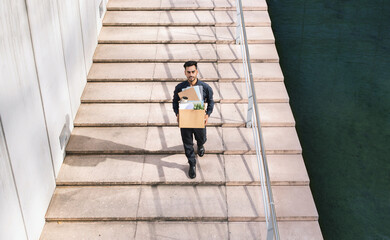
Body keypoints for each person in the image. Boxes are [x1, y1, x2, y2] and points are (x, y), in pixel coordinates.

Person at [172, 61, 214, 179]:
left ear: (197, 72)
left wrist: (207, 115)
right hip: (185, 120)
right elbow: (175, 102)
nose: (191, 74)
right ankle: (192, 164)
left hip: (199, 119)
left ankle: (200, 145)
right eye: (188, 72)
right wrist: (177, 114)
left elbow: (211, 101)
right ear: (185, 73)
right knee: (188, 144)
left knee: (202, 137)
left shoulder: (205, 87)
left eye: (193, 72)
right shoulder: (180, 87)